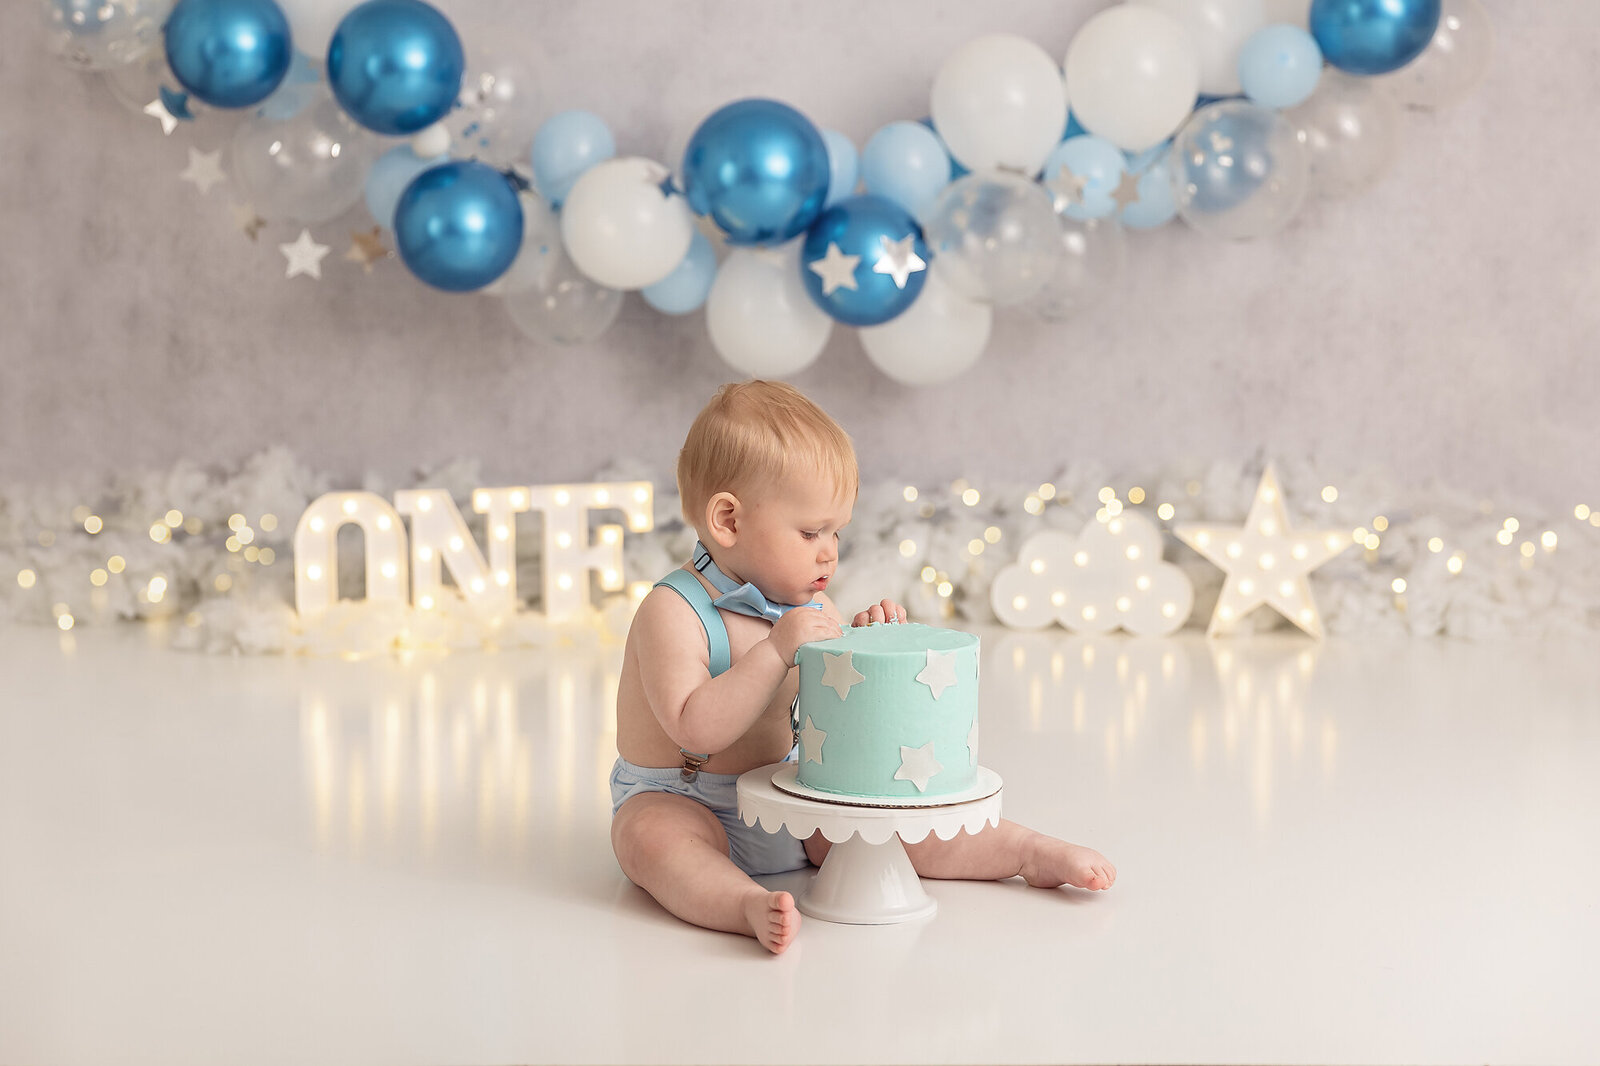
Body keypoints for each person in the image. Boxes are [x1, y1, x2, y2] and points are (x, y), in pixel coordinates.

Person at [610, 380, 1116, 954]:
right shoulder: (672, 611)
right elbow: (693, 727)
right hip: (686, 796)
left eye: (836, 533)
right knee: (653, 841)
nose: (829, 552)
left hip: (787, 792)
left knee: (883, 823)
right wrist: (777, 650)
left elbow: (833, 696)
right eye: (809, 532)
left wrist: (864, 644)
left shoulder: (810, 605)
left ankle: (1025, 851)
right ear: (728, 520)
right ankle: (741, 904)